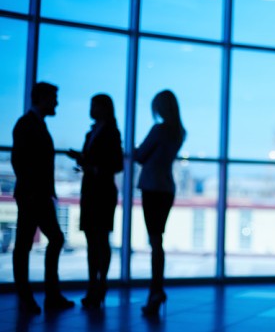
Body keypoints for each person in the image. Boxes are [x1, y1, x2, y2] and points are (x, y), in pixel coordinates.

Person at [11, 82, 75, 314]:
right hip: (33, 195)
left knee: (33, 243)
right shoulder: (28, 125)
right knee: (30, 244)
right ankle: (37, 296)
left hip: (36, 195)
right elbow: (20, 161)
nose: (56, 103)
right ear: (42, 99)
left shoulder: (33, 124)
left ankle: (39, 296)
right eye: (53, 98)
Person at [67, 94, 123, 308]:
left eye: (94, 105)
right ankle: (96, 284)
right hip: (92, 189)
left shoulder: (108, 132)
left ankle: (98, 284)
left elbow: (116, 164)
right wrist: (85, 161)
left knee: (99, 238)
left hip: (101, 189)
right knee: (95, 238)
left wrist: (92, 166)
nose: (90, 109)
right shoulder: (94, 131)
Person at [134, 90, 186, 316]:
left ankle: (155, 291)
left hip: (152, 188)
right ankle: (157, 290)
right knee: (158, 240)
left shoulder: (159, 129)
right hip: (166, 188)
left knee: (154, 240)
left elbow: (140, 155)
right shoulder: (179, 132)